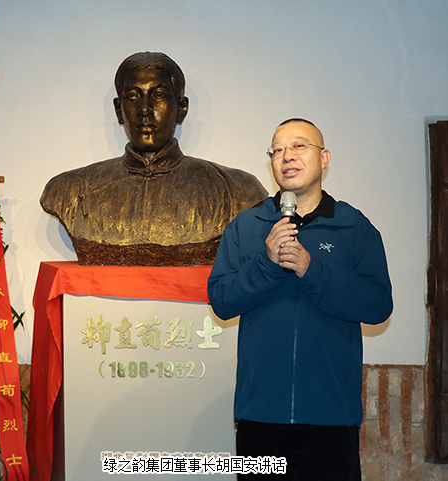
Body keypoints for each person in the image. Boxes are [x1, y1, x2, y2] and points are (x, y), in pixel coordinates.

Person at [207, 119, 393, 480]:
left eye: (298, 146)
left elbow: (377, 305)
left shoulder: (353, 227)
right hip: (260, 415)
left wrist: (313, 270)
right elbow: (222, 300)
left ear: (324, 158)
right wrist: (266, 264)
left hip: (331, 415)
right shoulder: (246, 226)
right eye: (277, 150)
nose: (286, 156)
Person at [40, 52, 267, 266]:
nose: (145, 109)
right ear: (119, 110)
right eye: (133, 96)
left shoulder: (235, 189)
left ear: (181, 108)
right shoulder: (70, 190)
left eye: (158, 95)